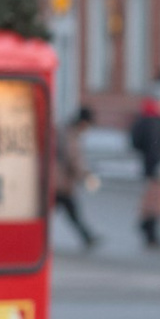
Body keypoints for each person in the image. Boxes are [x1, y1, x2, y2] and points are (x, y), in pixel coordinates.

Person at [129, 81, 160, 250]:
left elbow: (137, 143)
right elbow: (155, 147)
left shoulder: (149, 118)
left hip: (150, 166)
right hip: (156, 167)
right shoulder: (154, 121)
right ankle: (149, 231)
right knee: (159, 201)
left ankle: (149, 229)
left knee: (153, 200)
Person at [52, 99, 98, 249]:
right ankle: (87, 237)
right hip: (60, 183)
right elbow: (74, 159)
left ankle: (87, 236)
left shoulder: (66, 130)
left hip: (57, 182)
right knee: (71, 211)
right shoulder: (71, 135)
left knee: (71, 212)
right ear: (84, 123)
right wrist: (86, 175)